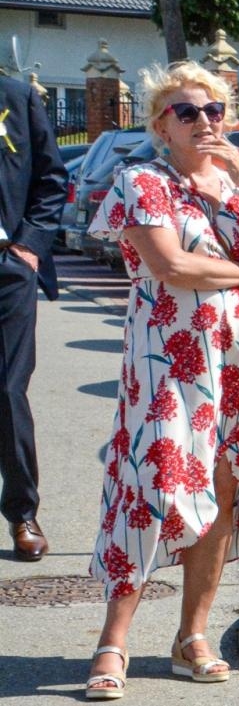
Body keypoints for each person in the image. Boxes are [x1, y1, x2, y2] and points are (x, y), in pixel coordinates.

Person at [83, 61, 239, 699]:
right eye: (187, 112)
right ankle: (112, 641)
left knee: (222, 490)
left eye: (213, 111)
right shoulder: (140, 180)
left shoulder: (238, 184)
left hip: (236, 362)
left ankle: (192, 637)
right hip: (166, 364)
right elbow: (172, 266)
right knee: (150, 489)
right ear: (162, 124)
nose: (204, 122)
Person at [0, 73, 66, 562]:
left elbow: (51, 177)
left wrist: (28, 245)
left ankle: (22, 512)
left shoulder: (16, 96)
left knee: (6, 389)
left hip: (6, 265)